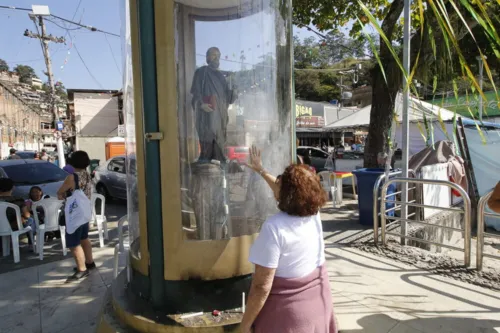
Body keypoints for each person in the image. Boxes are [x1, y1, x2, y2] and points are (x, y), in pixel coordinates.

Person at [241, 146, 336, 333]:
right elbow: (285, 189)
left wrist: (244, 326)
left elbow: (261, 287)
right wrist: (260, 169)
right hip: (319, 307)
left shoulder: (275, 228)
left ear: (285, 194)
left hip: (289, 319)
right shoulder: (314, 214)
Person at [190, 46, 237, 162]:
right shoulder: (201, 72)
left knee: (220, 144)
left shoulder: (222, 77)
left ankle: (219, 162)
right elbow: (195, 92)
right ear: (207, 58)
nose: (217, 58)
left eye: (218, 56)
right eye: (214, 55)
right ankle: (206, 161)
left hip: (221, 116)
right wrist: (201, 104)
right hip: (207, 114)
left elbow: (229, 99)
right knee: (208, 141)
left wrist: (234, 87)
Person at [57, 150, 95, 280]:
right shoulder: (87, 174)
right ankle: (89, 262)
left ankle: (81, 269)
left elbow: (60, 193)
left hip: (75, 214)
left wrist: (63, 194)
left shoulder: (72, 177)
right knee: (84, 238)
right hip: (85, 212)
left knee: (74, 243)